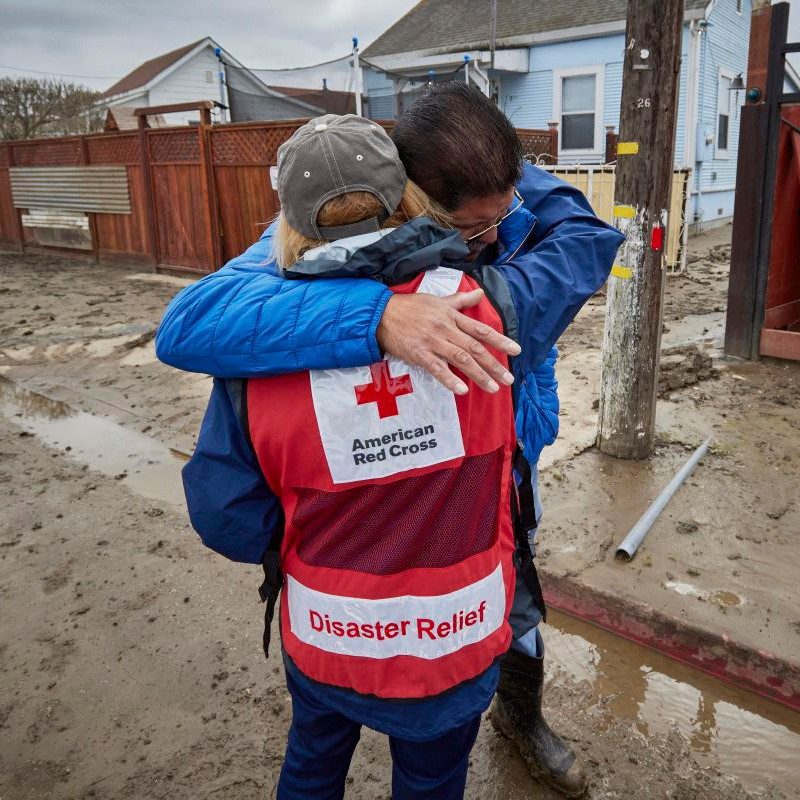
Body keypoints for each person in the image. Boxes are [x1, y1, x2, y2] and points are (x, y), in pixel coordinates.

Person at [157, 84, 624, 798]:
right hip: (458, 638)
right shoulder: (493, 313)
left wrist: (319, 536)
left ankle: (524, 719)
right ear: (415, 200)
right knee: (434, 779)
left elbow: (227, 516)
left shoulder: (252, 362)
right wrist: (380, 317)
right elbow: (586, 247)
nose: (493, 240)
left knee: (312, 767)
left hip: (329, 633)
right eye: (473, 230)